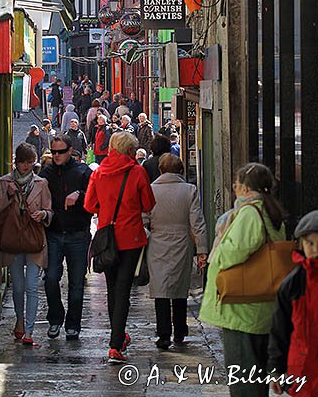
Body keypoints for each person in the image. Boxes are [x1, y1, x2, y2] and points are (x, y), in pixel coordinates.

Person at [199, 162, 287, 397]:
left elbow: (233, 252)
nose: (234, 189)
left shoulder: (249, 213)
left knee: (244, 380)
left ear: (246, 189)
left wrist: (219, 243)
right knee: (255, 378)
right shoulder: (272, 212)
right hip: (260, 306)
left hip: (243, 308)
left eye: (236, 185)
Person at [84, 132, 156, 363]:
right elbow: (148, 204)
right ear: (130, 151)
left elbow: (89, 204)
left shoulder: (100, 172)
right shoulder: (137, 172)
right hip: (131, 238)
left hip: (107, 236)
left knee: (113, 288)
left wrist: (105, 210)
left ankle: (118, 338)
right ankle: (115, 344)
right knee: (123, 288)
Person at [0, 142, 53, 345]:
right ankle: (20, 322)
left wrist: (43, 214)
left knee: (32, 286)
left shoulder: (41, 183)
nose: (27, 166)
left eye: (30, 163)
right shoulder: (3, 182)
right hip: (13, 240)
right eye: (24, 162)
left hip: (34, 239)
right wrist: (8, 194)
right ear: (17, 161)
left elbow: (50, 211)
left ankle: (30, 332)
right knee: (18, 287)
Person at [145, 154, 207, 349]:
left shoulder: (151, 190)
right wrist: (202, 250)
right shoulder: (189, 190)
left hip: (157, 242)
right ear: (180, 170)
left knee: (160, 288)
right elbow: (197, 222)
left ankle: (163, 333)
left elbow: (143, 219)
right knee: (180, 288)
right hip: (182, 242)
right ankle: (180, 330)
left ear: (161, 170)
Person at [39, 134, 92, 340]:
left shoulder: (82, 172)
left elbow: (95, 198)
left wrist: (79, 194)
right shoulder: (47, 173)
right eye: (53, 152)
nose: (57, 155)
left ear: (70, 151)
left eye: (61, 151)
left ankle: (73, 324)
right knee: (51, 279)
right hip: (53, 233)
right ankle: (55, 318)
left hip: (77, 234)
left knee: (76, 283)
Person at [268, 210, 318, 397]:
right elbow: (280, 330)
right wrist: (276, 370)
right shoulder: (292, 284)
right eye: (310, 243)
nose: (316, 249)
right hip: (302, 369)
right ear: (301, 245)